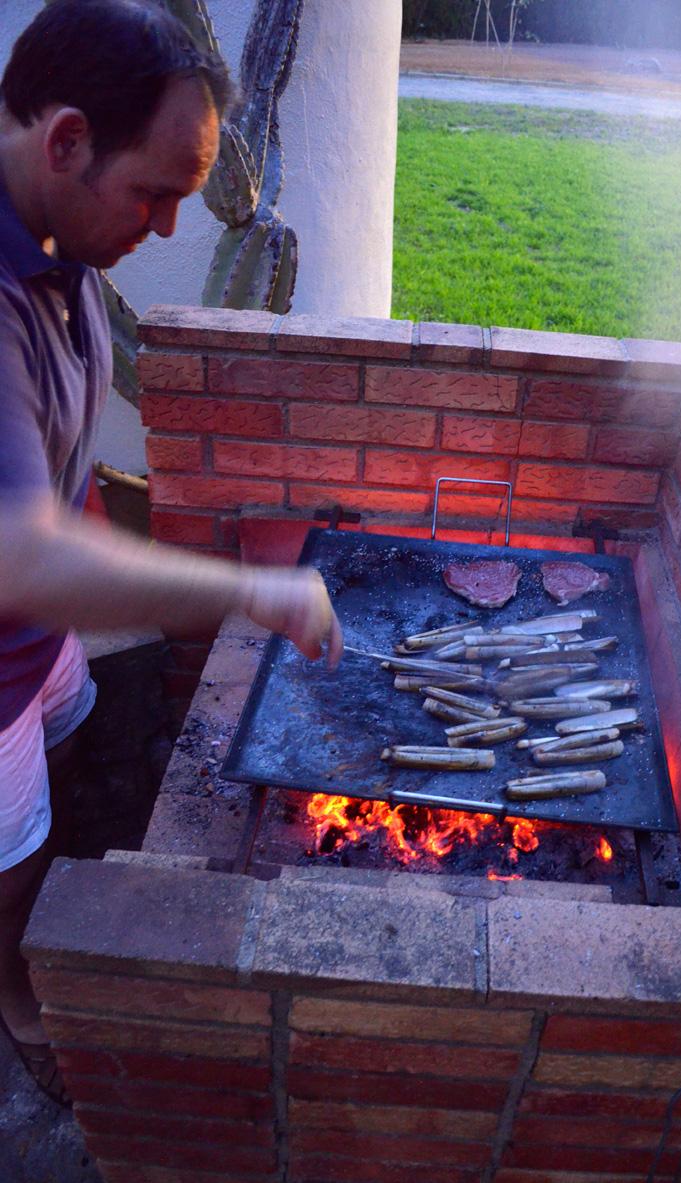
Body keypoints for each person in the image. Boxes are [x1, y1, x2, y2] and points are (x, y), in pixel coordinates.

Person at [0, 0, 342, 1105]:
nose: (160, 232)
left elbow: (51, 464)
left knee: (68, 767)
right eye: (152, 195)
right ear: (64, 141)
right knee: (7, 870)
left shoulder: (51, 238)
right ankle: (17, 1002)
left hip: (38, 639)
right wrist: (252, 590)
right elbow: (17, 552)